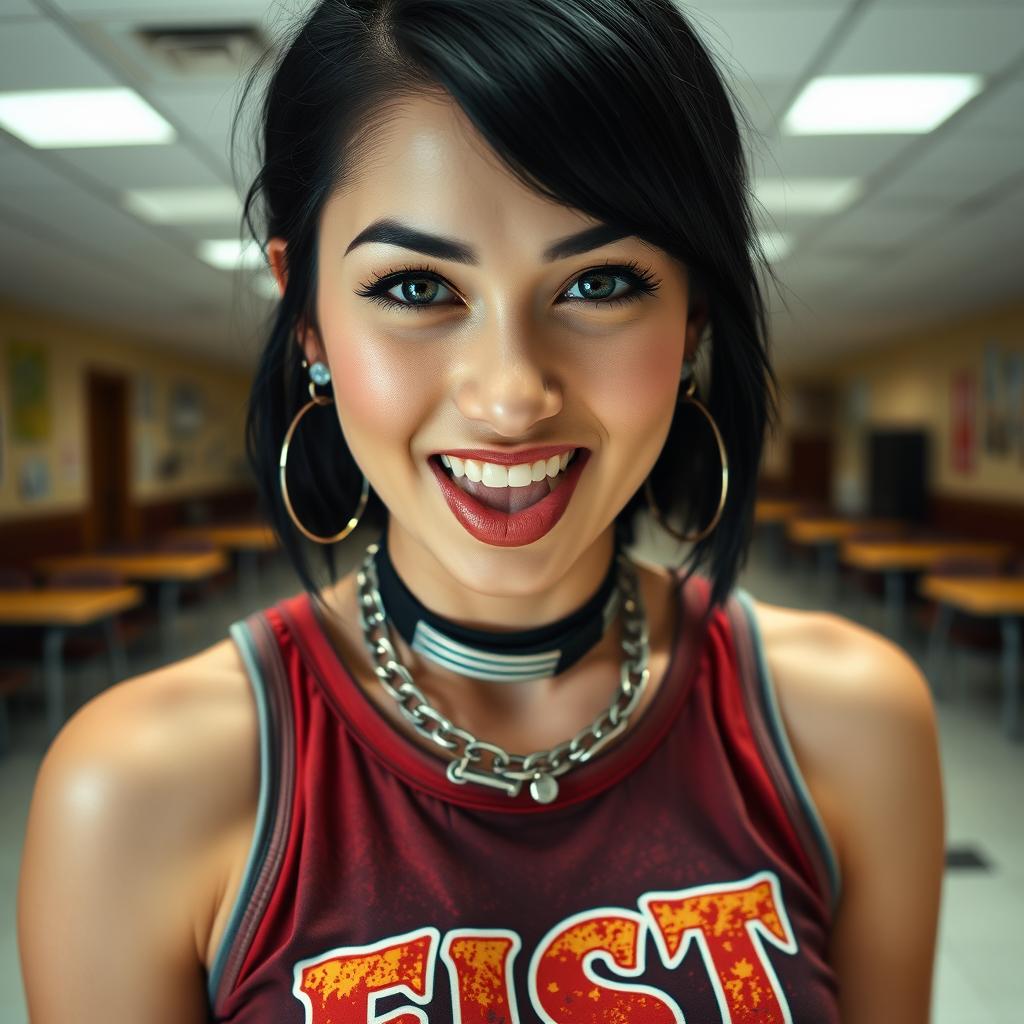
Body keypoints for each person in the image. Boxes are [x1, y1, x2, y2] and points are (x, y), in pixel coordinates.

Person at [17, 1, 944, 1021]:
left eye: (599, 281)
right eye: (416, 286)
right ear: (309, 320)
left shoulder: (850, 722)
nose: (511, 396)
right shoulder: (135, 791)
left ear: (690, 321)